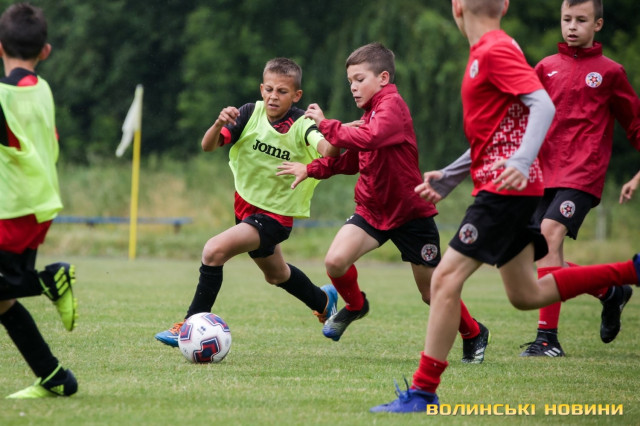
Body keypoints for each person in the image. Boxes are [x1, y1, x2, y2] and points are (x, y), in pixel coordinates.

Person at [370, 0, 639, 413]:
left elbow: (542, 106)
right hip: (512, 188)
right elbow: (500, 128)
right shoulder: (496, 49)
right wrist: (453, 174)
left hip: (504, 192)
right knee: (526, 294)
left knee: (444, 280)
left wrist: (521, 161)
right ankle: (630, 272)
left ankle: (422, 392)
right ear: (506, 5)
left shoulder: (495, 50)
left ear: (457, 7)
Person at [276, 42, 490, 364]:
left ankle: (473, 333)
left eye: (359, 79)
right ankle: (356, 305)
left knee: (431, 294)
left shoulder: (392, 107)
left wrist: (327, 125)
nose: (353, 87)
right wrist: (311, 169)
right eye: (350, 81)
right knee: (335, 262)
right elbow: (352, 160)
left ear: (383, 78)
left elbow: (370, 137)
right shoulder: (370, 113)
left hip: (410, 215)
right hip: (372, 210)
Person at [154, 58, 340, 347]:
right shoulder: (249, 113)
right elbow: (208, 145)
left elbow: (329, 151)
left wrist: (326, 125)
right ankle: (323, 300)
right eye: (269, 89)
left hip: (275, 217)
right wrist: (218, 123)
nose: (273, 96)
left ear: (296, 95)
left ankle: (189, 326)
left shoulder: (303, 124)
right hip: (245, 208)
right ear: (261, 88)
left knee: (213, 251)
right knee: (276, 275)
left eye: (282, 91)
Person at [520, 0, 639, 357]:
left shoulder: (610, 72)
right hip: (543, 173)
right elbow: (525, 117)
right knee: (536, 256)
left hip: (582, 173)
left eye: (581, 20)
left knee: (549, 236)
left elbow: (635, 125)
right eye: (567, 19)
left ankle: (547, 339)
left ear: (597, 24)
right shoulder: (545, 67)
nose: (572, 26)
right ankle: (610, 290)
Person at [0, 3, 78, 399]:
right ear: (45, 52)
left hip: (11, 209)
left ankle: (49, 281)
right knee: (2, 299)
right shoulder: (42, 90)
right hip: (39, 205)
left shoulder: (4, 97)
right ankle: (53, 377)